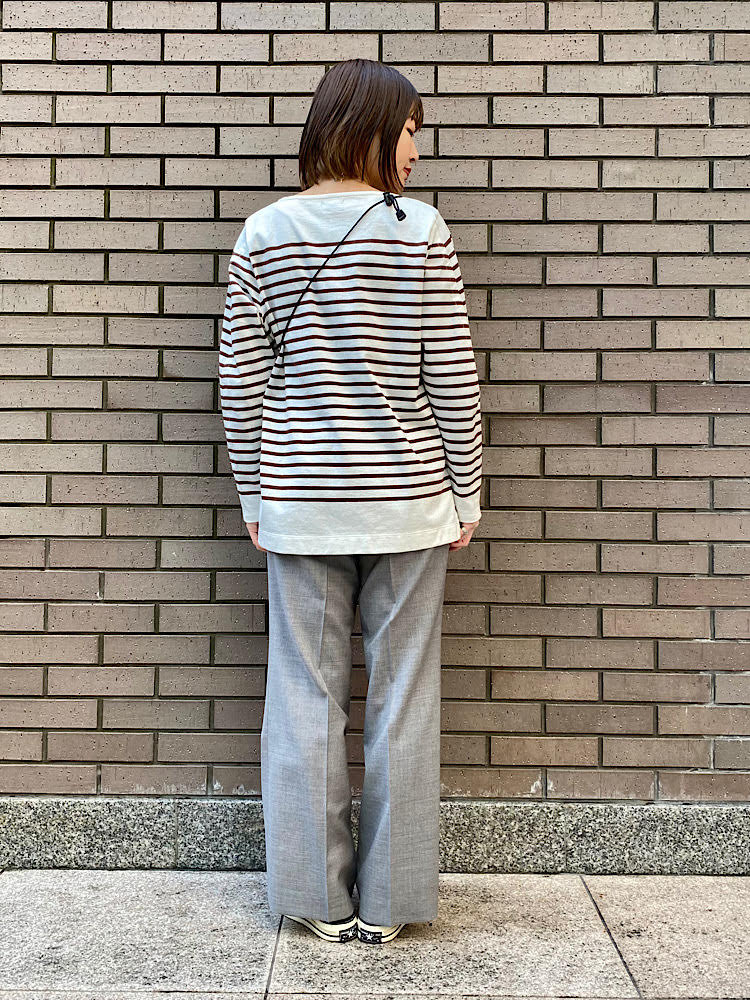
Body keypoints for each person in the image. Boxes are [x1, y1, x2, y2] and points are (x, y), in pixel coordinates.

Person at [218, 58, 482, 945]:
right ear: (369, 128)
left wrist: (255, 491)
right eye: (409, 131)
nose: (416, 151)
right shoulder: (420, 232)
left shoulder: (264, 233)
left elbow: (242, 382)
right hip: (409, 504)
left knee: (303, 699)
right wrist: (467, 491)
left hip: (300, 504)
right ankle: (391, 904)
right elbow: (450, 377)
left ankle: (316, 899)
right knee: (404, 699)